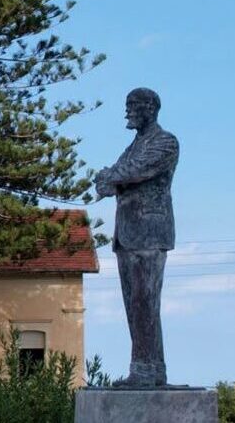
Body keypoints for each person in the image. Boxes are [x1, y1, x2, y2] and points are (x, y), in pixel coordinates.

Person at [94, 87, 179, 387]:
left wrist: (112, 177)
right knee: (136, 304)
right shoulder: (133, 146)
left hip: (149, 233)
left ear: (150, 108)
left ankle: (144, 370)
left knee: (145, 301)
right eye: (127, 105)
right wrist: (111, 177)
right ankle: (152, 369)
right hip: (127, 235)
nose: (127, 111)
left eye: (133, 105)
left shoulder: (165, 142)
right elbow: (111, 179)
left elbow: (133, 171)